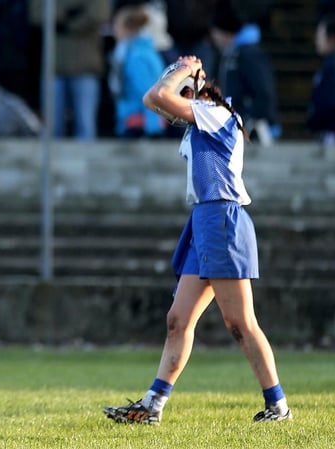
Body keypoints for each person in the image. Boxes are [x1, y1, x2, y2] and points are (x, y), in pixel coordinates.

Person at [103, 56, 292, 424]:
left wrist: (184, 71)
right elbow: (153, 99)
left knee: (240, 322)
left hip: (222, 218)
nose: (176, 103)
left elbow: (158, 95)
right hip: (205, 220)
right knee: (178, 320)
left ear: (196, 90)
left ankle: (278, 407)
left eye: (184, 91)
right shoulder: (201, 119)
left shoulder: (216, 112)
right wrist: (182, 75)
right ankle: (153, 405)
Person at [29, 0, 110, 139]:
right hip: (54, 65)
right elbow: (37, 14)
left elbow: (99, 14)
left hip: (86, 65)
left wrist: (65, 23)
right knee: (52, 127)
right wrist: (73, 12)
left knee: (85, 125)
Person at [210, 0, 280, 146]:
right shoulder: (233, 54)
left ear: (224, 32)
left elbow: (264, 91)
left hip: (255, 130)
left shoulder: (247, 54)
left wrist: (250, 117)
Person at [108, 3, 167, 138]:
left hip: (139, 123)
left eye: (117, 26)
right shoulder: (138, 51)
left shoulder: (136, 57)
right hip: (137, 120)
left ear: (128, 28)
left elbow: (148, 92)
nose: (114, 30)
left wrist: (153, 126)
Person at [306, 14, 335, 149]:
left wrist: (315, 121)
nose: (317, 40)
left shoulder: (332, 66)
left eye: (320, 36)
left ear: (332, 39)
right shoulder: (328, 65)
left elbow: (330, 101)